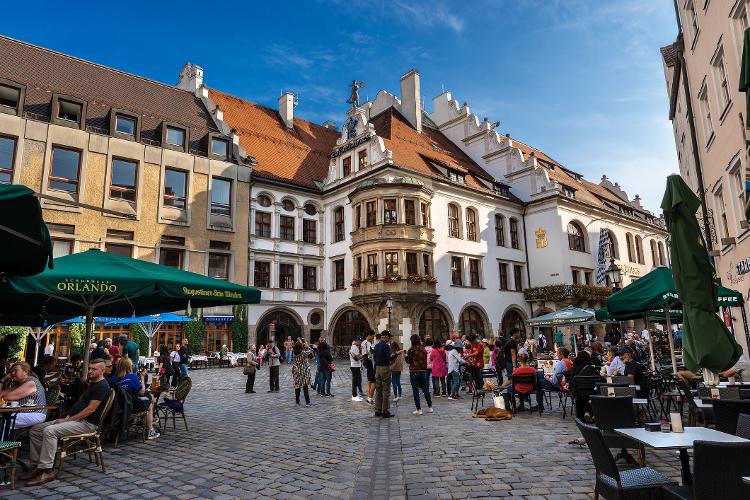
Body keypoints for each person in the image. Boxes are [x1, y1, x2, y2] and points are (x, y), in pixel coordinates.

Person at [26, 358, 111, 486]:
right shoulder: (92, 383)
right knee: (36, 430)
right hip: (75, 420)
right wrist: (67, 418)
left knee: (50, 431)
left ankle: (46, 469)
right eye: (89, 368)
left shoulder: (102, 386)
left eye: (94, 369)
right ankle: (36, 466)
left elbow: (90, 410)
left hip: (87, 424)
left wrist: (67, 420)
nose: (90, 371)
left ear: (103, 370)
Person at [108, 357, 159, 440]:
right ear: (129, 366)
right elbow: (142, 391)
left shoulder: (113, 378)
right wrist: (142, 377)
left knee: (148, 398)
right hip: (130, 406)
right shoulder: (132, 377)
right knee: (149, 401)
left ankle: (143, 422)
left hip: (117, 408)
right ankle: (150, 430)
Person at [0, 362, 47, 428]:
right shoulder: (19, 384)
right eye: (11, 371)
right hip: (22, 413)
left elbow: (7, 397)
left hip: (35, 414)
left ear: (25, 371)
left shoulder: (31, 382)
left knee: (2, 420)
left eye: (15, 370)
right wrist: (3, 380)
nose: (12, 373)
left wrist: (4, 397)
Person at [406, 334, 432, 415]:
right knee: (425, 389)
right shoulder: (423, 349)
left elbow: (408, 360)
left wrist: (405, 356)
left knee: (415, 390)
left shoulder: (411, 349)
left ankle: (419, 409)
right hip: (423, 371)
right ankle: (430, 407)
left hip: (414, 372)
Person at [373, 331, 395, 418]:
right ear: (385, 337)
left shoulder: (376, 345)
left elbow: (374, 357)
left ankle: (378, 410)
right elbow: (388, 359)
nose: (389, 339)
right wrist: (395, 355)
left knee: (378, 390)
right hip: (384, 368)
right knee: (386, 390)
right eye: (389, 337)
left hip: (377, 368)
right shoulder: (386, 346)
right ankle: (385, 411)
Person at [291, 341, 313, 406]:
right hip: (304, 372)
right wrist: (307, 346)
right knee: (305, 387)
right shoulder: (303, 353)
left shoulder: (294, 353)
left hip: (297, 372)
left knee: (297, 387)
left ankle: (297, 402)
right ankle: (307, 402)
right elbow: (310, 351)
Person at [361, 333, 376, 404]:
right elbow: (371, 353)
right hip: (369, 362)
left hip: (365, 360)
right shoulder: (368, 343)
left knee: (369, 381)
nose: (373, 337)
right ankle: (370, 397)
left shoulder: (363, 342)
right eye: (372, 336)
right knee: (373, 381)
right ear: (368, 335)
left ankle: (368, 396)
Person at [349, 337, 364, 401]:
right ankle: (354, 396)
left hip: (356, 366)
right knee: (355, 381)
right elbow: (357, 358)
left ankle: (356, 395)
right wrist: (363, 356)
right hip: (355, 366)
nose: (360, 343)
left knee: (357, 381)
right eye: (360, 341)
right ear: (357, 340)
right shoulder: (354, 347)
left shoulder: (355, 347)